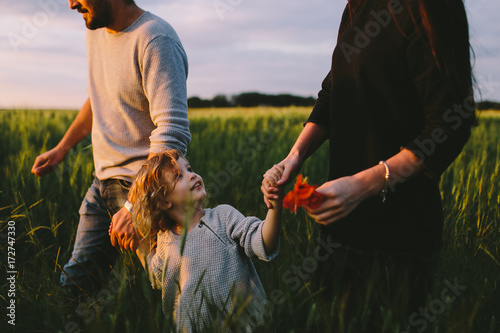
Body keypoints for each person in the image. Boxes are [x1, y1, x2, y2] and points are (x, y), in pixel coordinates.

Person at [262, 0, 475, 330]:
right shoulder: (356, 6)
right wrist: (294, 157)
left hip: (399, 237)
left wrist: (360, 186)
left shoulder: (431, 6)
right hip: (339, 229)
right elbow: (334, 92)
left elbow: (449, 125)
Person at [31, 0, 191, 297]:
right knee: (75, 287)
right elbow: (98, 96)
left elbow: (172, 135)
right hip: (102, 182)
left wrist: (136, 205)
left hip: (149, 189)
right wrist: (63, 148)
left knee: (173, 295)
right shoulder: (95, 30)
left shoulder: (156, 39)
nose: (71, 4)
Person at [109, 150, 283, 331]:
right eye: (178, 176)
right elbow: (157, 277)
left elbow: (263, 243)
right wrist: (138, 244)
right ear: (163, 202)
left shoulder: (223, 217)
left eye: (190, 169)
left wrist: (275, 207)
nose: (192, 175)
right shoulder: (165, 242)